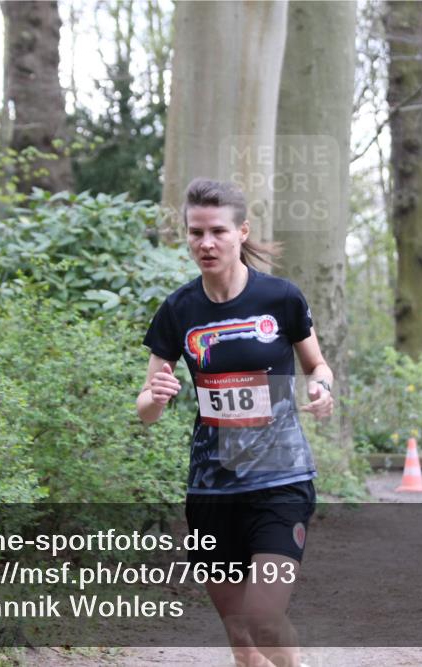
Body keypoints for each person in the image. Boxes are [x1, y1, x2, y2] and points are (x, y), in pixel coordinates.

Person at [136, 178, 333, 667]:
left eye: (218, 231)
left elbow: (318, 365)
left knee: (264, 619)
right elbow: (146, 408)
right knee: (242, 640)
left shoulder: (281, 298)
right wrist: (155, 396)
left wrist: (322, 389)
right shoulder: (178, 310)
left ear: (242, 232)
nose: (206, 243)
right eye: (195, 232)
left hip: (281, 482)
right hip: (212, 487)